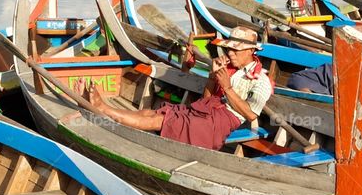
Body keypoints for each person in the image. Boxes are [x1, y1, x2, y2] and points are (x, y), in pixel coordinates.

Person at [77, 26, 273, 151]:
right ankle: (103, 110)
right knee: (150, 112)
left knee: (159, 120)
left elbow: (251, 115)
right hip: (207, 109)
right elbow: (205, 98)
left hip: (224, 121)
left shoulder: (261, 80)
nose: (230, 52)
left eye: (235, 50)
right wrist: (213, 77)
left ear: (250, 51)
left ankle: (104, 110)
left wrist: (227, 88)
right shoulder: (226, 68)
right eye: (229, 48)